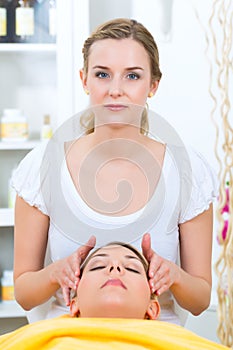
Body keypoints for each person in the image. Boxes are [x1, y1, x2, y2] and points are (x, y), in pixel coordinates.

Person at [12, 18, 218, 325]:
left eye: (132, 76)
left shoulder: (187, 171)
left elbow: (200, 300)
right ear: (84, 80)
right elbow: (24, 293)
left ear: (153, 85)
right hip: (69, 340)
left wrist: (173, 276)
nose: (116, 90)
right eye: (102, 75)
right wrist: (56, 273)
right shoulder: (43, 167)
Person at [0, 243, 228, 350]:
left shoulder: (184, 344)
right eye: (98, 266)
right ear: (73, 303)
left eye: (132, 268)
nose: (115, 268)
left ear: (153, 309)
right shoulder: (35, 340)